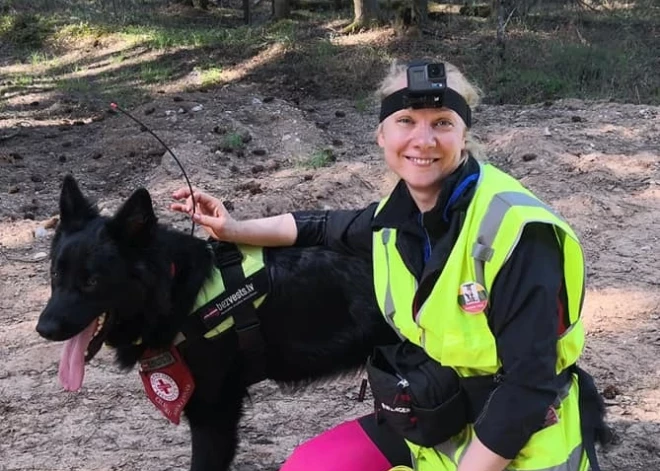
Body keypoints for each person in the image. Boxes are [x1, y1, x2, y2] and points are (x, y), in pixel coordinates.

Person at [170, 60, 608, 471]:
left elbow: (527, 390)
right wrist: (233, 228)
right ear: (382, 135)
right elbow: (320, 228)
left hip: (522, 436)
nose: (423, 140)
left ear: (463, 135)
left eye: (441, 123)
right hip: (436, 415)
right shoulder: (394, 218)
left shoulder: (516, 232)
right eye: (406, 122)